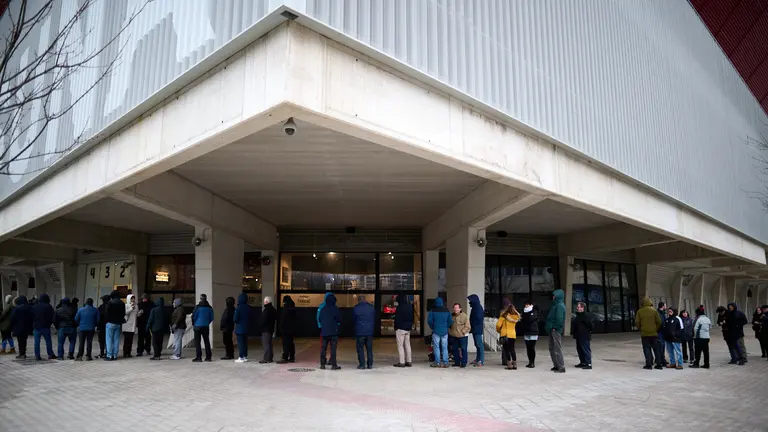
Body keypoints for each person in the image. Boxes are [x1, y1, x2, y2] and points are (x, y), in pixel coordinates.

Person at [635, 297, 662, 370]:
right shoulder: (654, 311)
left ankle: (649, 364)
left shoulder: (639, 311)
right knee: (656, 349)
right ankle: (659, 364)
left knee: (646, 348)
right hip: (654, 334)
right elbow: (659, 322)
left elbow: (637, 322)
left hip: (645, 334)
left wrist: (641, 329)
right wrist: (655, 329)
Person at [544, 289, 566, 373]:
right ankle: (556, 365)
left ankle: (561, 366)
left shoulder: (559, 306)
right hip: (552, 329)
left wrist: (554, 327)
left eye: (554, 295)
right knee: (552, 348)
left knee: (557, 348)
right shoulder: (555, 305)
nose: (552, 297)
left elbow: (559, 319)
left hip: (555, 330)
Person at [351, 295, 376, 369]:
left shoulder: (356, 308)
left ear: (358, 300)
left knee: (360, 348)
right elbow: (374, 317)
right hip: (369, 331)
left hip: (360, 332)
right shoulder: (371, 308)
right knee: (369, 349)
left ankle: (362, 365)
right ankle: (370, 364)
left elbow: (353, 319)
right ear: (365, 299)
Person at [318, 293, 341, 370]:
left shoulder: (323, 309)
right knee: (333, 349)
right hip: (333, 332)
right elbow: (338, 319)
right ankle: (334, 365)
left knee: (323, 348)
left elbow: (320, 319)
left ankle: (322, 364)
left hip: (324, 332)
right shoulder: (335, 309)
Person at [427, 297, 452, 368]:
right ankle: (445, 363)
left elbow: (429, 321)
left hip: (436, 331)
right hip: (444, 331)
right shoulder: (447, 310)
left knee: (436, 347)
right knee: (444, 347)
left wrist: (433, 327)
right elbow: (450, 321)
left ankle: (437, 362)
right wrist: (446, 327)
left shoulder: (432, 310)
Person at [496, 299, 521, 370]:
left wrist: (499, 331)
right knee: (512, 349)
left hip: (505, 334)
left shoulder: (503, 316)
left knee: (506, 350)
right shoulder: (516, 316)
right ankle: (515, 364)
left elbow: (498, 325)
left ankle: (509, 365)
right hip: (512, 334)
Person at [32, 293, 56, 361]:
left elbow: (32, 316)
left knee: (36, 342)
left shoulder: (35, 306)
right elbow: (52, 316)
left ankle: (37, 356)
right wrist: (50, 323)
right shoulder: (48, 306)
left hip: (36, 327)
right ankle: (50, 354)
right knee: (48, 341)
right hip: (46, 327)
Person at [393, 293, 414, 368]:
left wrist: (395, 327)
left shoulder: (399, 307)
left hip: (400, 329)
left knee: (400, 346)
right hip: (408, 329)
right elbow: (412, 317)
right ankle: (409, 361)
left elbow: (397, 319)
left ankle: (402, 362)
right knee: (408, 345)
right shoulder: (410, 307)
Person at [192, 294, 214, 362]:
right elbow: (212, 318)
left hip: (197, 326)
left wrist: (194, 324)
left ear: (200, 299)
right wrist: (207, 323)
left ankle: (199, 357)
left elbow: (193, 316)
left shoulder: (197, 307)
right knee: (206, 341)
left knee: (197, 342)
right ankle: (208, 357)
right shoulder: (210, 307)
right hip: (205, 327)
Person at [449, 302, 470, 368]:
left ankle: (464, 362)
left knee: (463, 349)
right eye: (454, 308)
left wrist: (463, 332)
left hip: (462, 336)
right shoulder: (451, 316)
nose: (455, 309)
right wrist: (450, 332)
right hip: (454, 336)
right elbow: (449, 325)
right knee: (455, 349)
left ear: (460, 308)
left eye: (457, 308)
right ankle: (457, 362)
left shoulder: (464, 316)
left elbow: (468, 326)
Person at [573, 302, 593, 370]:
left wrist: (586, 331)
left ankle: (588, 363)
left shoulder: (585, 316)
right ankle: (583, 362)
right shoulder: (578, 316)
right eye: (577, 307)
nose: (577, 308)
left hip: (584, 336)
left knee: (586, 349)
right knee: (579, 349)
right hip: (578, 336)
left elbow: (590, 325)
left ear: (582, 308)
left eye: (578, 307)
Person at [105, 291, 125, 361]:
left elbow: (107, 313)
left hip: (110, 323)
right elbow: (123, 313)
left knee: (109, 339)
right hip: (118, 324)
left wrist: (107, 320)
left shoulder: (110, 303)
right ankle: (115, 355)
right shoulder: (122, 303)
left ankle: (109, 355)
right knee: (116, 340)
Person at [276, 295, 296, 364]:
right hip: (292, 329)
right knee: (291, 343)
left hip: (285, 329)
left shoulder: (286, 309)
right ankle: (292, 357)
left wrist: (280, 327)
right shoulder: (293, 308)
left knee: (285, 344)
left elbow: (283, 320)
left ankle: (285, 357)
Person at [467, 294, 485, 367]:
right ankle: (478, 359)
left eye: (470, 301)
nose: (469, 303)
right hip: (475, 328)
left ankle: (481, 360)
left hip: (477, 329)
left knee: (479, 344)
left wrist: (472, 324)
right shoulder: (475, 307)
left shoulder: (477, 308)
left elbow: (478, 318)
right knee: (477, 345)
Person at [233, 293, 252, 363]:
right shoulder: (249, 307)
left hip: (240, 328)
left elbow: (235, 319)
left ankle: (241, 357)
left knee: (240, 343)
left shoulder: (238, 308)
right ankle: (245, 356)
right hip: (247, 327)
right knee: (245, 343)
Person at [520, 301, 539, 368]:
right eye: (525, 305)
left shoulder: (534, 311)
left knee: (532, 348)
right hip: (526, 332)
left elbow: (531, 319)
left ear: (530, 305)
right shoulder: (524, 312)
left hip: (533, 332)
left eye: (527, 305)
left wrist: (525, 318)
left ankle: (532, 362)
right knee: (528, 348)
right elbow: (522, 320)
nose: (526, 306)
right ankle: (530, 362)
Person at [259, 296, 277, 364]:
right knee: (269, 343)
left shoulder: (266, 310)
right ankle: (270, 357)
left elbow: (263, 320)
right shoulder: (273, 309)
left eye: (264, 301)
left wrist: (260, 326)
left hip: (265, 329)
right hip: (271, 328)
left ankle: (266, 358)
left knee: (266, 344)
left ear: (266, 302)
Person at [220, 296, 236, 360]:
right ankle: (231, 354)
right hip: (230, 327)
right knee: (229, 341)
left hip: (226, 327)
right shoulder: (233, 309)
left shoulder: (228, 309)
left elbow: (224, 319)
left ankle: (228, 354)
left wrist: (222, 325)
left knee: (226, 341)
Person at [656, 302, 668, 366]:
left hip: (662, 332)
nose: (666, 307)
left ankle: (661, 359)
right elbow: (659, 322)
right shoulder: (658, 313)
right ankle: (661, 359)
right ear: (663, 306)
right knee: (661, 346)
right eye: (665, 306)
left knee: (662, 346)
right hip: (660, 332)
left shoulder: (663, 313)